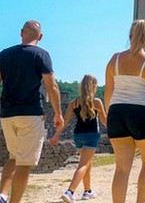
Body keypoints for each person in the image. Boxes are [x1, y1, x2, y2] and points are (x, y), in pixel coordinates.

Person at [0, 20, 64, 203]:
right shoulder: (41, 55)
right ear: (40, 37)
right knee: (24, 163)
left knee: (14, 157)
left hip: (7, 115)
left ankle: (2, 195)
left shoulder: (3, 55)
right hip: (30, 114)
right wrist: (58, 113)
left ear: (21, 32)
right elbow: (51, 86)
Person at [104, 19, 145, 203]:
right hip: (142, 112)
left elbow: (109, 92)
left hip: (117, 112)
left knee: (121, 168)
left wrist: (110, 115)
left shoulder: (114, 60)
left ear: (130, 36)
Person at [50, 74, 107, 203]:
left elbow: (64, 121)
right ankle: (70, 192)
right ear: (93, 87)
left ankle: (88, 191)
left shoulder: (74, 102)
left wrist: (56, 135)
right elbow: (105, 122)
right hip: (91, 135)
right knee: (84, 164)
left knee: (86, 163)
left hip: (78, 136)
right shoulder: (97, 102)